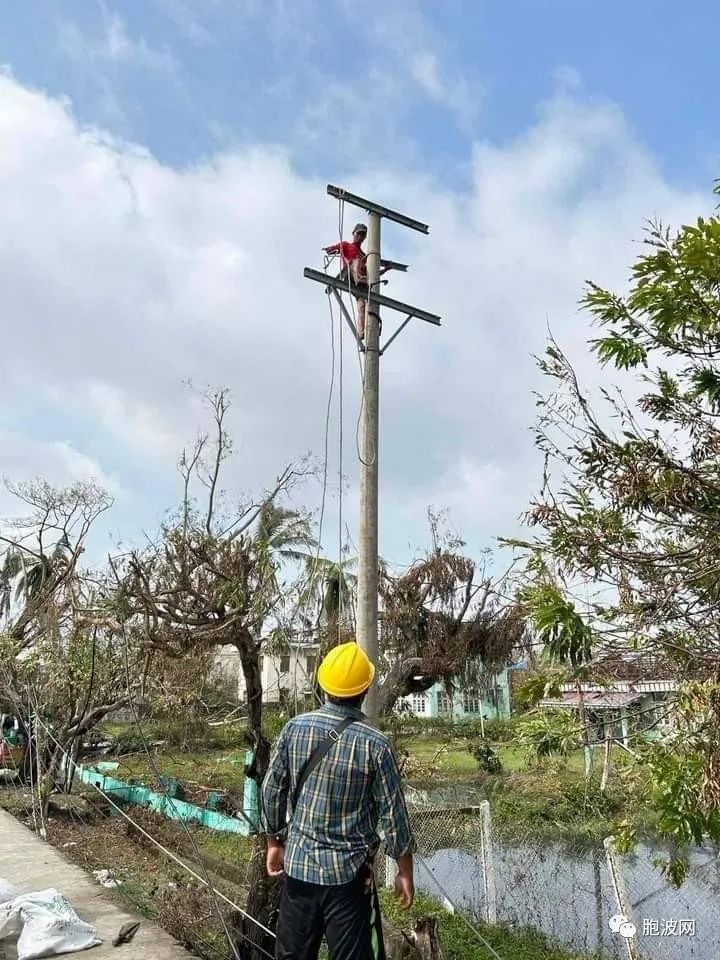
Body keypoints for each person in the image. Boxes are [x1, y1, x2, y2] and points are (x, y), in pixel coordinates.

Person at [261, 642, 415, 960]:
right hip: (348, 878)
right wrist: (405, 872)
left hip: (299, 869)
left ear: (323, 684)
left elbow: (271, 790)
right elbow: (393, 814)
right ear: (366, 688)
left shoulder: (294, 729)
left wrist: (274, 841)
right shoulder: (376, 745)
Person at [324, 224, 369, 339]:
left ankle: (362, 332)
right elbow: (334, 248)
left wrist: (384, 270)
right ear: (353, 233)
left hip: (362, 283)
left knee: (363, 305)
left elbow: (372, 270)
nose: (360, 237)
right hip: (350, 276)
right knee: (357, 260)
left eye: (363, 235)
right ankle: (359, 277)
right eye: (358, 233)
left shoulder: (364, 254)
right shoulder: (347, 245)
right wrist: (329, 250)